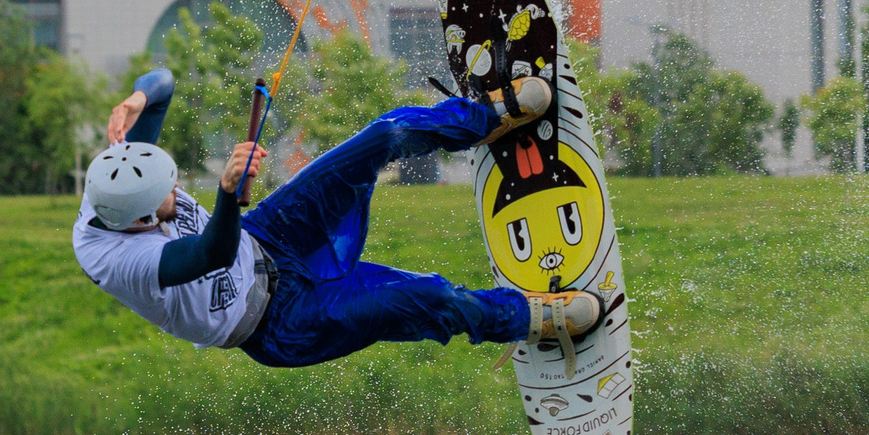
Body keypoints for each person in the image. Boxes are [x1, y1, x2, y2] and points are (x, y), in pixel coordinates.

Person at [73, 69, 597, 367]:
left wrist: (136, 98)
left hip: (267, 239)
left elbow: (161, 82)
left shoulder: (117, 176)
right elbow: (211, 252)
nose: (177, 188)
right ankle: (531, 320)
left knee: (382, 137)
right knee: (429, 298)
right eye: (169, 195)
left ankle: (486, 118)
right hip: (277, 324)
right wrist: (228, 192)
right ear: (140, 222)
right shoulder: (124, 261)